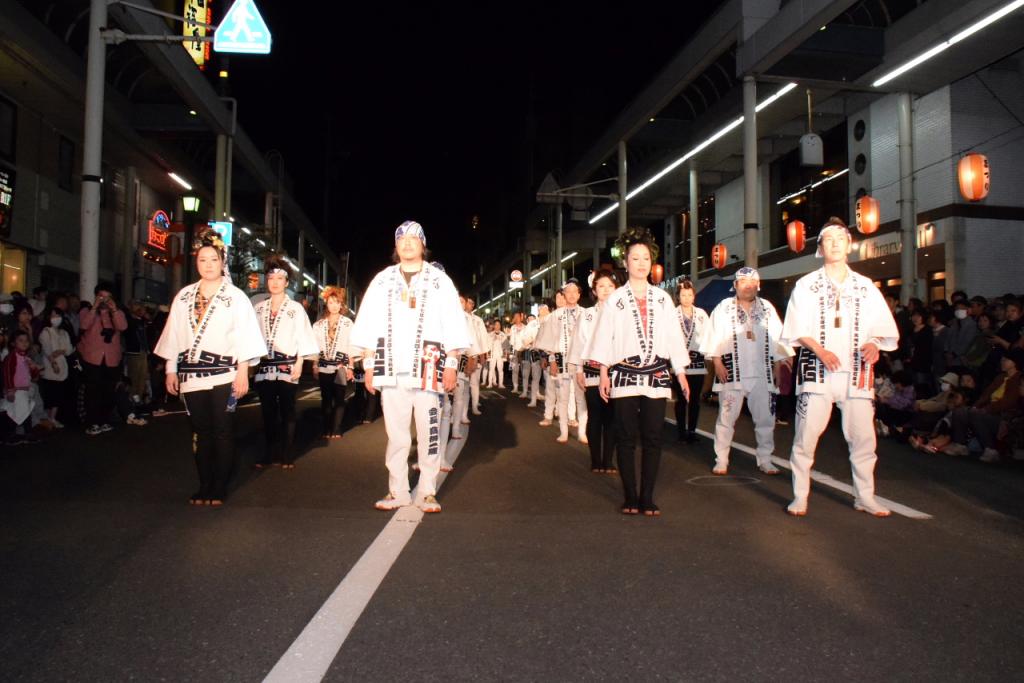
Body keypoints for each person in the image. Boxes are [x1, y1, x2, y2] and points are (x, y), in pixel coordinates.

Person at [781, 217, 900, 517]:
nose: (835, 243)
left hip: (856, 372)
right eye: (828, 239)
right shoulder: (806, 285)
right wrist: (820, 350)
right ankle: (800, 495)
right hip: (817, 370)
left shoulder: (865, 287)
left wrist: (874, 343)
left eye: (840, 238)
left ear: (849, 244)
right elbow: (796, 329)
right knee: (806, 437)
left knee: (863, 439)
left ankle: (865, 496)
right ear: (820, 247)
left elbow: (881, 329)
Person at [350, 221, 470, 513]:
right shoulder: (382, 280)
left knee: (429, 431)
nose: (407, 243)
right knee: (397, 435)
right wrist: (368, 365)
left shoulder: (440, 281)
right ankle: (398, 491)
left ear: (423, 245)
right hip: (390, 367)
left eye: (413, 238)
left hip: (429, 367)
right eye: (401, 238)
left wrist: (451, 364)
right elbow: (368, 323)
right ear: (395, 246)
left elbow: (452, 322)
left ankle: (427, 490)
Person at [153, 228, 266, 506]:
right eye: (202, 260)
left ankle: (219, 486)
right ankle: (204, 483)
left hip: (225, 374)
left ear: (222, 261)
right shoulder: (184, 296)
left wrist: (243, 372)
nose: (208, 265)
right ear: (196, 263)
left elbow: (245, 335)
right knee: (200, 431)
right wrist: (171, 368)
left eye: (213, 259)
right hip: (192, 374)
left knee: (223, 430)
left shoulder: (235, 296)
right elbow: (174, 333)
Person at [585, 227, 690, 516]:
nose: (641, 263)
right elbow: (605, 337)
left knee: (654, 436)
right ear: (626, 262)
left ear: (651, 262)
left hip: (656, 374)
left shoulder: (662, 299)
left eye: (645, 258)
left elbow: (673, 337)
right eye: (635, 258)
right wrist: (604, 372)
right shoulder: (616, 300)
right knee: (626, 436)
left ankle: (648, 496)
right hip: (625, 374)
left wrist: (680, 372)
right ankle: (630, 496)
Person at [701, 267, 792, 475]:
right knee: (726, 417)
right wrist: (717, 363)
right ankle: (721, 459)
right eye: (743, 282)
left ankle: (765, 459)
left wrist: (778, 366)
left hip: (762, 372)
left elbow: (777, 338)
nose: (748, 286)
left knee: (766, 418)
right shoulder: (723, 308)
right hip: (732, 370)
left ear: (757, 286)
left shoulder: (767, 308)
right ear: (735, 285)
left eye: (752, 283)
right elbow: (714, 337)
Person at [253, 255, 319, 469]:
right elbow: (251, 337)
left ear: (286, 283)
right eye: (270, 277)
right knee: (267, 411)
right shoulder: (259, 308)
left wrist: (300, 362)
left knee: (288, 410)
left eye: (279, 278)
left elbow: (303, 336)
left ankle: (287, 452)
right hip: (264, 367)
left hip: (288, 365)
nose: (274, 281)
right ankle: (269, 452)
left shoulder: (295, 309)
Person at [569, 269, 618, 472]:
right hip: (591, 370)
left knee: (612, 417)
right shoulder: (587, 315)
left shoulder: (621, 314)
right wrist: (579, 370)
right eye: (601, 286)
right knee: (595, 415)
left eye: (610, 286)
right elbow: (580, 344)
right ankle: (596, 459)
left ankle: (608, 460)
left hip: (617, 372)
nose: (606, 290)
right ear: (594, 290)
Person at [950, 348, 1024, 463]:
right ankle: (960, 444)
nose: (1002, 362)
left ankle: (990, 449)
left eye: (1006, 360)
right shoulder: (1000, 377)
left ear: (1015, 363)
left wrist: (986, 409)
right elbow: (986, 394)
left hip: (1002, 416)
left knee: (976, 414)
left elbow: (1009, 402)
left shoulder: (1018, 379)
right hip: (988, 411)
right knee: (961, 411)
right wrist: (976, 406)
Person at [537, 280, 588, 443]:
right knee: (563, 397)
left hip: (581, 363)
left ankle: (582, 432)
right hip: (562, 360)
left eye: (575, 291)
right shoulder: (556, 315)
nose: (572, 294)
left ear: (579, 295)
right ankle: (564, 431)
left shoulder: (587, 314)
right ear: (564, 295)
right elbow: (549, 340)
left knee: (581, 397)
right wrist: (552, 360)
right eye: (568, 291)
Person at [78, 283, 127, 436]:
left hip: (112, 359)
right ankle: (92, 422)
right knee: (93, 391)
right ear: (96, 297)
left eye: (107, 297)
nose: (104, 300)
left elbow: (123, 326)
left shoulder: (116, 313)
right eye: (101, 297)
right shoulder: (87, 311)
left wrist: (113, 309)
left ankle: (104, 420)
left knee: (108, 391)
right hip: (93, 358)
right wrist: (94, 308)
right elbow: (83, 325)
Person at [312, 286, 354, 440]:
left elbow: (351, 345)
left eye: (337, 302)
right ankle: (326, 428)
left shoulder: (348, 323)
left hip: (341, 366)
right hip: (324, 365)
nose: (334, 306)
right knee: (326, 398)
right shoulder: (319, 325)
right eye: (331, 302)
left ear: (341, 304)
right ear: (326, 304)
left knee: (340, 397)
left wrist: (351, 367)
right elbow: (315, 347)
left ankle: (337, 427)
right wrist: (315, 365)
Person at [674, 278, 709, 443]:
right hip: (680, 362)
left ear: (694, 296)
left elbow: (709, 336)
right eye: (683, 295)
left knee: (695, 399)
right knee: (681, 399)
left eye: (689, 295)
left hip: (697, 362)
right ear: (678, 296)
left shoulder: (702, 314)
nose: (686, 298)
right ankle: (681, 431)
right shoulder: (673, 314)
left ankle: (692, 431)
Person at [37, 306, 73, 428]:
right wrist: (53, 362)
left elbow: (69, 350)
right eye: (53, 316)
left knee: (59, 393)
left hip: (63, 367)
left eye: (58, 315)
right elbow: (48, 350)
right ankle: (48, 418)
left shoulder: (64, 333)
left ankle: (53, 417)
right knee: (50, 393)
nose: (55, 318)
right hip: (50, 367)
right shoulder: (46, 331)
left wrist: (60, 351)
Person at [522, 311, 544, 406]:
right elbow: (525, 341)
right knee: (535, 376)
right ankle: (533, 399)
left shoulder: (550, 320)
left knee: (549, 379)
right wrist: (532, 341)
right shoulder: (531, 325)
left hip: (548, 352)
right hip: (535, 352)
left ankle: (554, 407)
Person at [485, 319, 507, 388]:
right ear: (494, 326)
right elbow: (487, 345)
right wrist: (487, 354)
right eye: (496, 324)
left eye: (499, 325)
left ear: (500, 326)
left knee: (500, 370)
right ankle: (490, 383)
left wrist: (505, 355)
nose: (497, 326)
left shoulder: (503, 335)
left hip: (500, 355)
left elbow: (505, 346)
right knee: (491, 369)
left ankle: (500, 384)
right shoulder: (490, 334)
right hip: (492, 354)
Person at [508, 312, 526, 394]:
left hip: (523, 351)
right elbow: (511, 341)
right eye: (515, 317)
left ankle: (524, 389)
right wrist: (510, 353)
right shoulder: (512, 327)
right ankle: (515, 387)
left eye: (518, 316)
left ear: (521, 317)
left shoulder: (525, 327)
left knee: (524, 371)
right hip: (514, 351)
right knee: (514, 370)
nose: (516, 318)